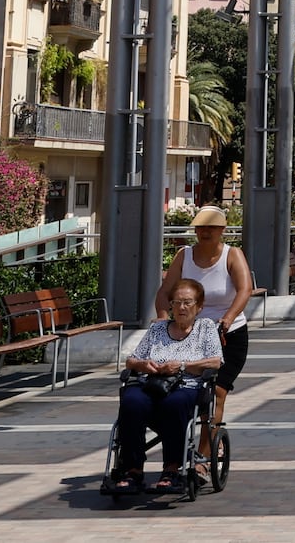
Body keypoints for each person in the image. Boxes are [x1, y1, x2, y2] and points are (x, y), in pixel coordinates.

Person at [112, 278, 222, 495]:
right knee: (132, 401)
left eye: (187, 303)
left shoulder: (206, 328)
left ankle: (171, 469)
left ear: (199, 307)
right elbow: (131, 361)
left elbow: (215, 361)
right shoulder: (158, 328)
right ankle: (132, 469)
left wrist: (182, 365)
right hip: (151, 383)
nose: (181, 307)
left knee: (175, 403)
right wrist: (144, 364)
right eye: (176, 302)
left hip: (186, 385)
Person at [155, 205, 255, 425]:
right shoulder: (185, 256)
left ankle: (205, 451)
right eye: (201, 227)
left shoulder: (232, 255)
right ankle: (186, 440)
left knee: (216, 392)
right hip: (190, 334)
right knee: (185, 391)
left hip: (227, 335)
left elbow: (245, 289)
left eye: (212, 227)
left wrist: (227, 319)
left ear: (222, 230)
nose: (206, 232)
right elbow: (165, 291)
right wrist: (163, 318)